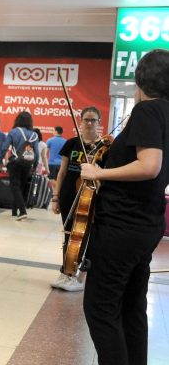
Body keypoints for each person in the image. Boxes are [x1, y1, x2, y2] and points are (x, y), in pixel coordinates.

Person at [68, 49, 169, 365]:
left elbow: (150, 166)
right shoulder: (167, 114)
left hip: (123, 227)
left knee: (100, 306)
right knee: (130, 307)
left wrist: (100, 172)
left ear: (141, 81)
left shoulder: (146, 111)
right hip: (146, 225)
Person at [50, 106, 102, 292]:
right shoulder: (71, 143)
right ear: (80, 121)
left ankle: (75, 273)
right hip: (68, 196)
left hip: (90, 197)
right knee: (69, 234)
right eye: (86, 119)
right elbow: (62, 172)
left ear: (99, 122)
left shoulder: (103, 147)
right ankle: (66, 272)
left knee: (83, 235)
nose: (89, 123)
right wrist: (55, 197)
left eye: (93, 120)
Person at [1, 111, 38, 220]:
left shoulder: (13, 132)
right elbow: (36, 152)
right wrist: (35, 164)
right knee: (20, 186)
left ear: (17, 120)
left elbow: (4, 147)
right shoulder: (34, 134)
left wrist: (0, 160)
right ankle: (14, 211)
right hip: (27, 163)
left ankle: (22, 211)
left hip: (15, 162)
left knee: (15, 186)